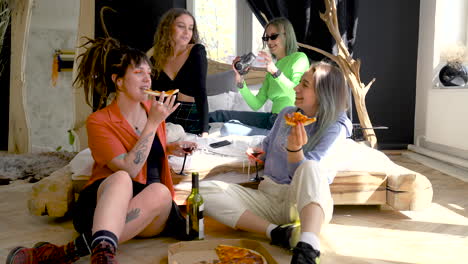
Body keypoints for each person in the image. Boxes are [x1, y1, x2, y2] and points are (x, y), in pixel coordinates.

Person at [6, 37, 196, 264]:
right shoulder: (99, 121)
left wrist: (170, 147)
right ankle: (103, 256)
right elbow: (131, 168)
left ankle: (62, 253)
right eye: (138, 72)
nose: (148, 79)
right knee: (121, 178)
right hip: (106, 205)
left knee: (160, 192)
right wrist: (153, 124)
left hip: (153, 208)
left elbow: (147, 150)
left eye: (149, 72)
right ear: (119, 81)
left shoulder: (152, 110)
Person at [201, 61, 352, 264]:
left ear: (324, 94)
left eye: (304, 85)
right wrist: (259, 154)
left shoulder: (336, 126)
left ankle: (307, 248)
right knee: (203, 191)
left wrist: (295, 151)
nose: (296, 88)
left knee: (310, 166)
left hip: (303, 202)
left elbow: (310, 177)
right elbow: (267, 145)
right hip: (269, 196)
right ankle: (278, 233)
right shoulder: (286, 114)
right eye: (299, 82)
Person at [209, 17, 310, 136]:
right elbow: (256, 104)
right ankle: (188, 122)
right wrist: (240, 80)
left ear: (286, 35)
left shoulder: (299, 58)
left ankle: (269, 136)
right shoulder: (273, 67)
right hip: (272, 119)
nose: (269, 42)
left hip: (286, 124)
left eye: (273, 36)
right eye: (266, 38)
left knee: (227, 128)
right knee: (221, 114)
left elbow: (295, 93)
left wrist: (275, 72)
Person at [150, 8, 209, 137]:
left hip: (190, 117)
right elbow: (151, 94)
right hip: (163, 117)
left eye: (190, 28)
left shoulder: (197, 51)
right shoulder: (155, 59)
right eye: (181, 26)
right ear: (168, 28)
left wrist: (205, 131)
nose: (187, 32)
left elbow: (201, 91)